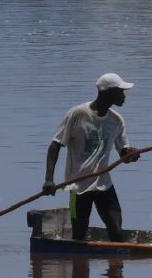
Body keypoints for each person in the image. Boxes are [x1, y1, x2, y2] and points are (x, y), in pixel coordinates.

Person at [43, 73, 139, 242]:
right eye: (121, 92)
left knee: (116, 230)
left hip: (104, 184)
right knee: (79, 235)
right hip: (77, 186)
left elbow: (123, 153)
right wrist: (49, 179)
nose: (124, 96)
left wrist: (131, 155)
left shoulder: (116, 121)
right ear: (108, 93)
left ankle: (115, 267)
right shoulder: (77, 114)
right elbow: (55, 145)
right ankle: (80, 264)